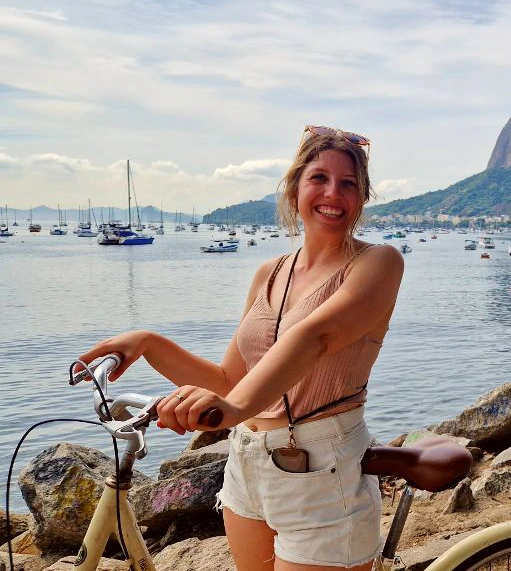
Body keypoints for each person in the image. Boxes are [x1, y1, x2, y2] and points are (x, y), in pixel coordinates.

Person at [77, 125, 404, 570]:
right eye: (319, 178)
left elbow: (315, 336)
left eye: (349, 183)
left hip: (324, 470)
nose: (333, 192)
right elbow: (229, 380)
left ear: (362, 198)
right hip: (247, 463)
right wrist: (149, 343)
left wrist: (232, 410)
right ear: (294, 190)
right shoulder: (269, 273)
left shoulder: (378, 263)